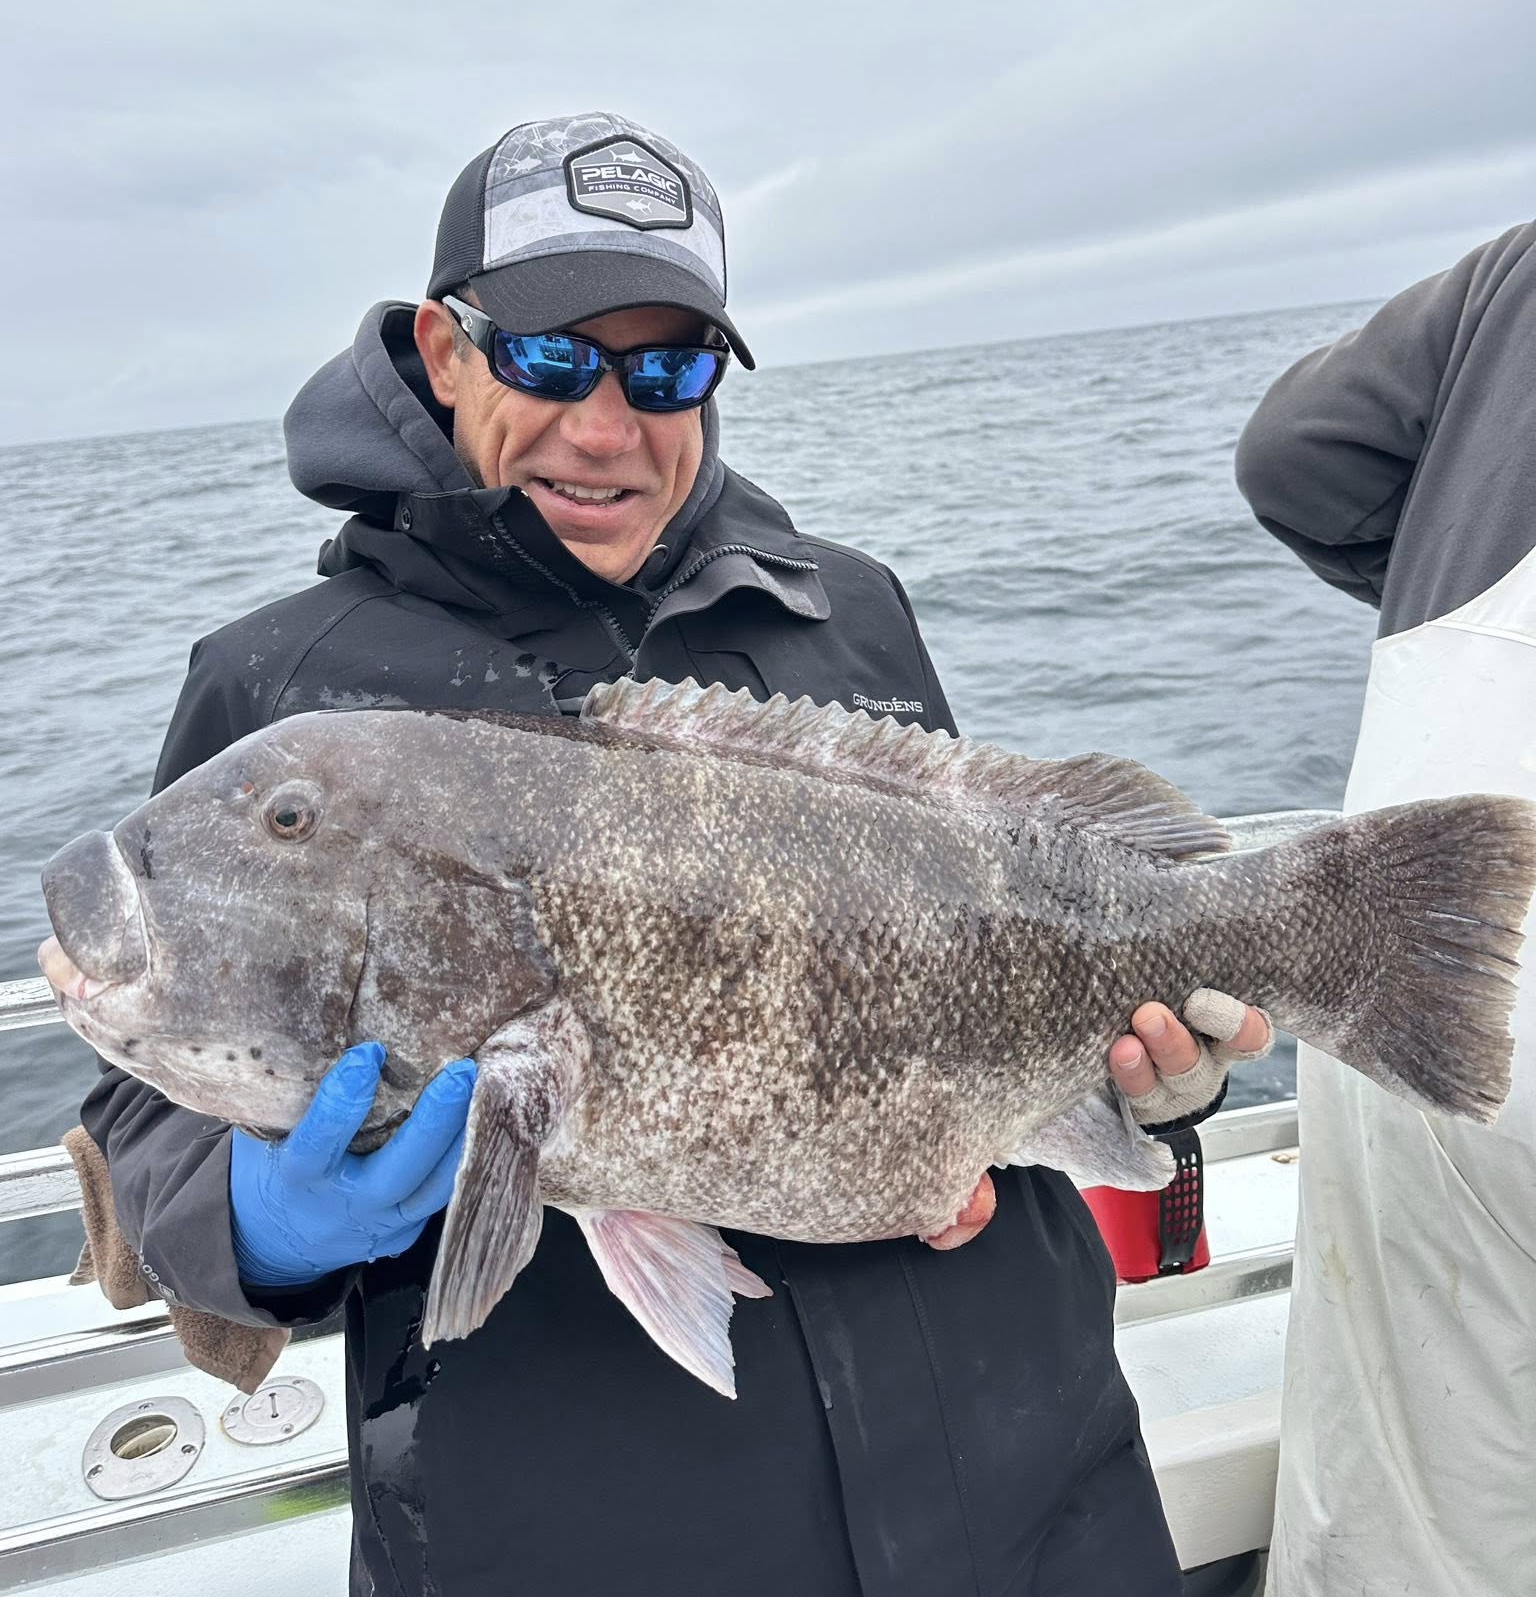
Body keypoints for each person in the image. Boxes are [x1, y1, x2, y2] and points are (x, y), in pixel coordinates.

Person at [82, 111, 1267, 1597]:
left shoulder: (848, 607)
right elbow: (144, 1123)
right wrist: (266, 1226)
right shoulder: (284, 694)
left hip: (1035, 1490)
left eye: (667, 372)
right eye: (550, 359)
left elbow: (1015, 944)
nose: (605, 426)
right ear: (443, 351)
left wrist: (1153, 1077)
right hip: (601, 1539)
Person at [1235, 218, 1536, 1597]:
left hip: (1426, 943)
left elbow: (1293, 455)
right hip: (1419, 954)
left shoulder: (1512, 286)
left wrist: (1437, 558)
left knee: (1410, 1507)